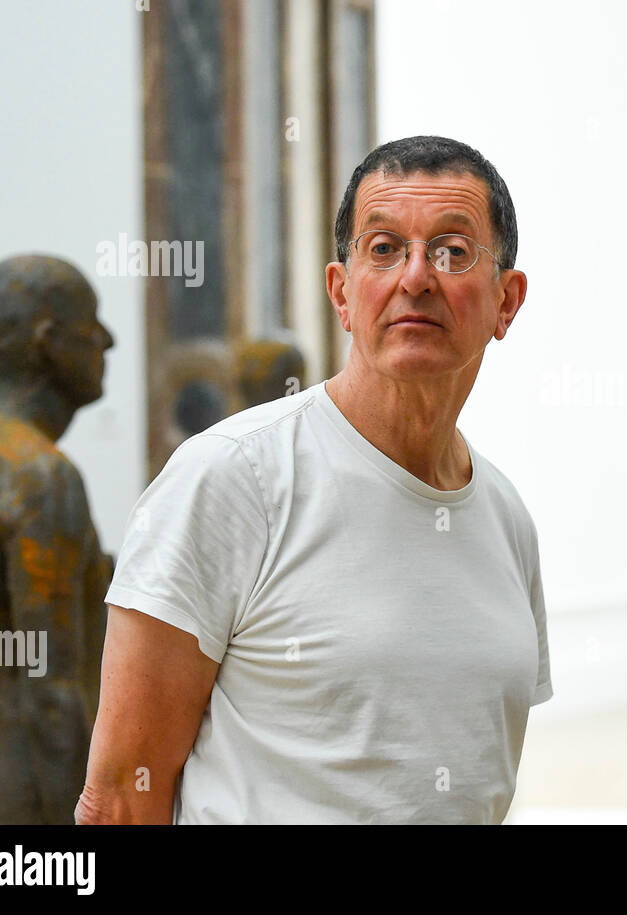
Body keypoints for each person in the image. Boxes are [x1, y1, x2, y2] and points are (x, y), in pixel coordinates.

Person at [77, 136, 551, 824]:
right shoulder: (231, 479)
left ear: (507, 300)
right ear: (342, 293)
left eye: (451, 251)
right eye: (384, 248)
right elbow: (119, 798)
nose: (416, 276)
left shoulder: (507, 519)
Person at [0, 255, 115, 823]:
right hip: (21, 811)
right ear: (48, 342)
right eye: (91, 324)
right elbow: (52, 694)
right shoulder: (40, 475)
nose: (108, 341)